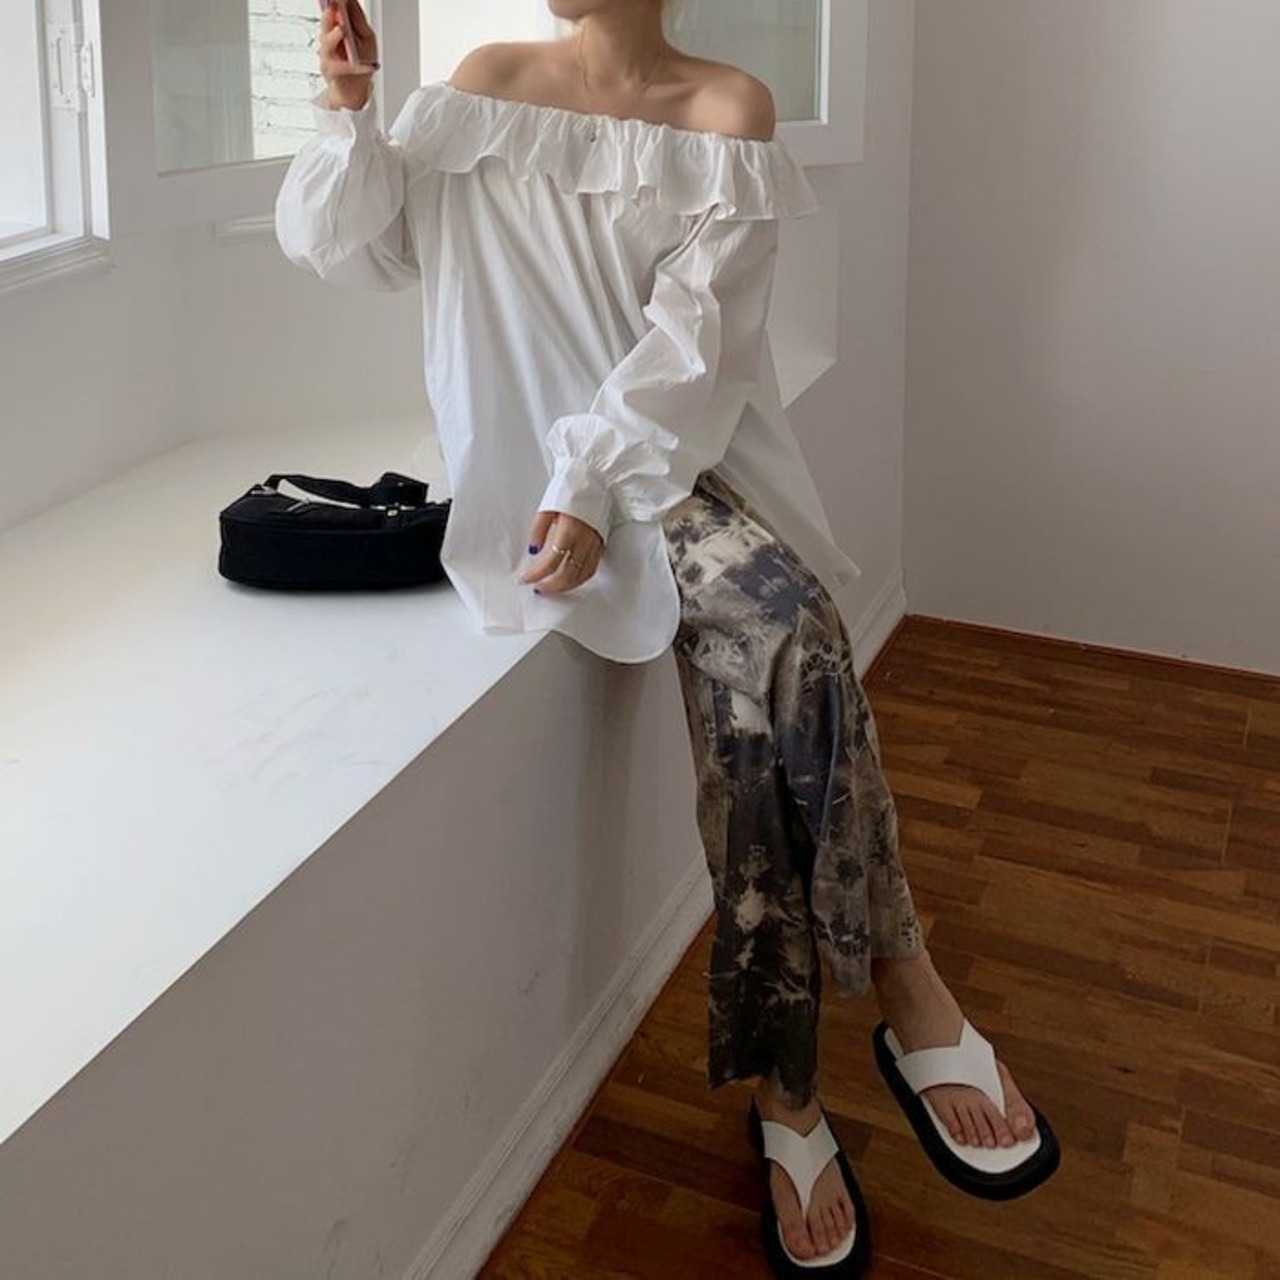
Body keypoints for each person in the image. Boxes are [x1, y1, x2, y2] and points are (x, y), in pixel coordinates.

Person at [275, 2, 1059, 1274]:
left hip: (674, 469)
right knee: (793, 635)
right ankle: (896, 982)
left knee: (763, 702)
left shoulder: (725, 110)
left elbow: (693, 349)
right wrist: (349, 111)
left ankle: (792, 1087)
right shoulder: (483, 82)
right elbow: (358, 248)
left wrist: (600, 480)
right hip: (535, 488)